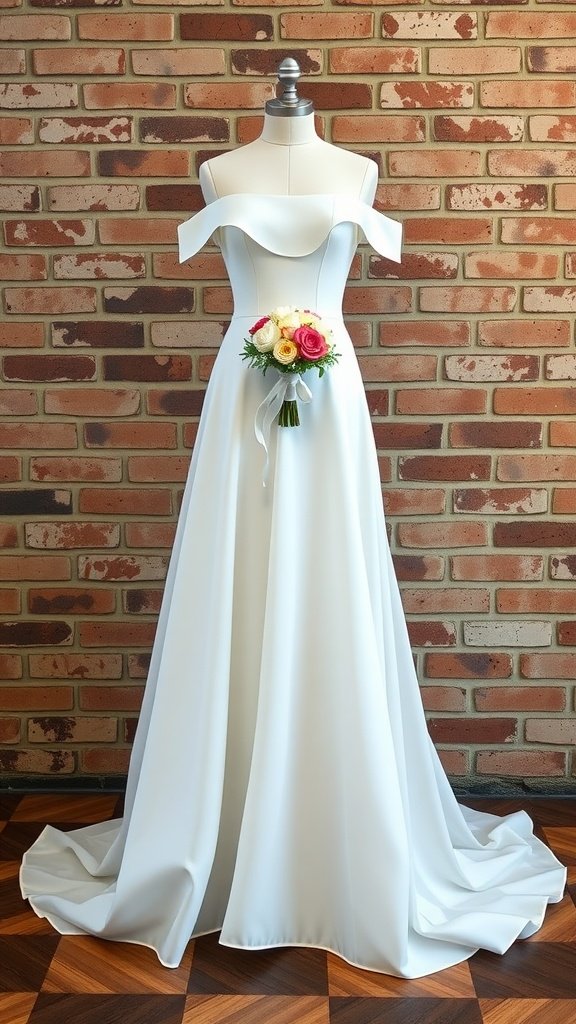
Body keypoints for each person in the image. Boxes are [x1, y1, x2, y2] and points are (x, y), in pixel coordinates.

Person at [21, 60, 566, 978]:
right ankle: (221, 829)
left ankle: (338, 833)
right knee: (236, 583)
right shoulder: (220, 171)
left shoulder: (357, 171)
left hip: (330, 408)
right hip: (242, 403)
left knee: (330, 583)